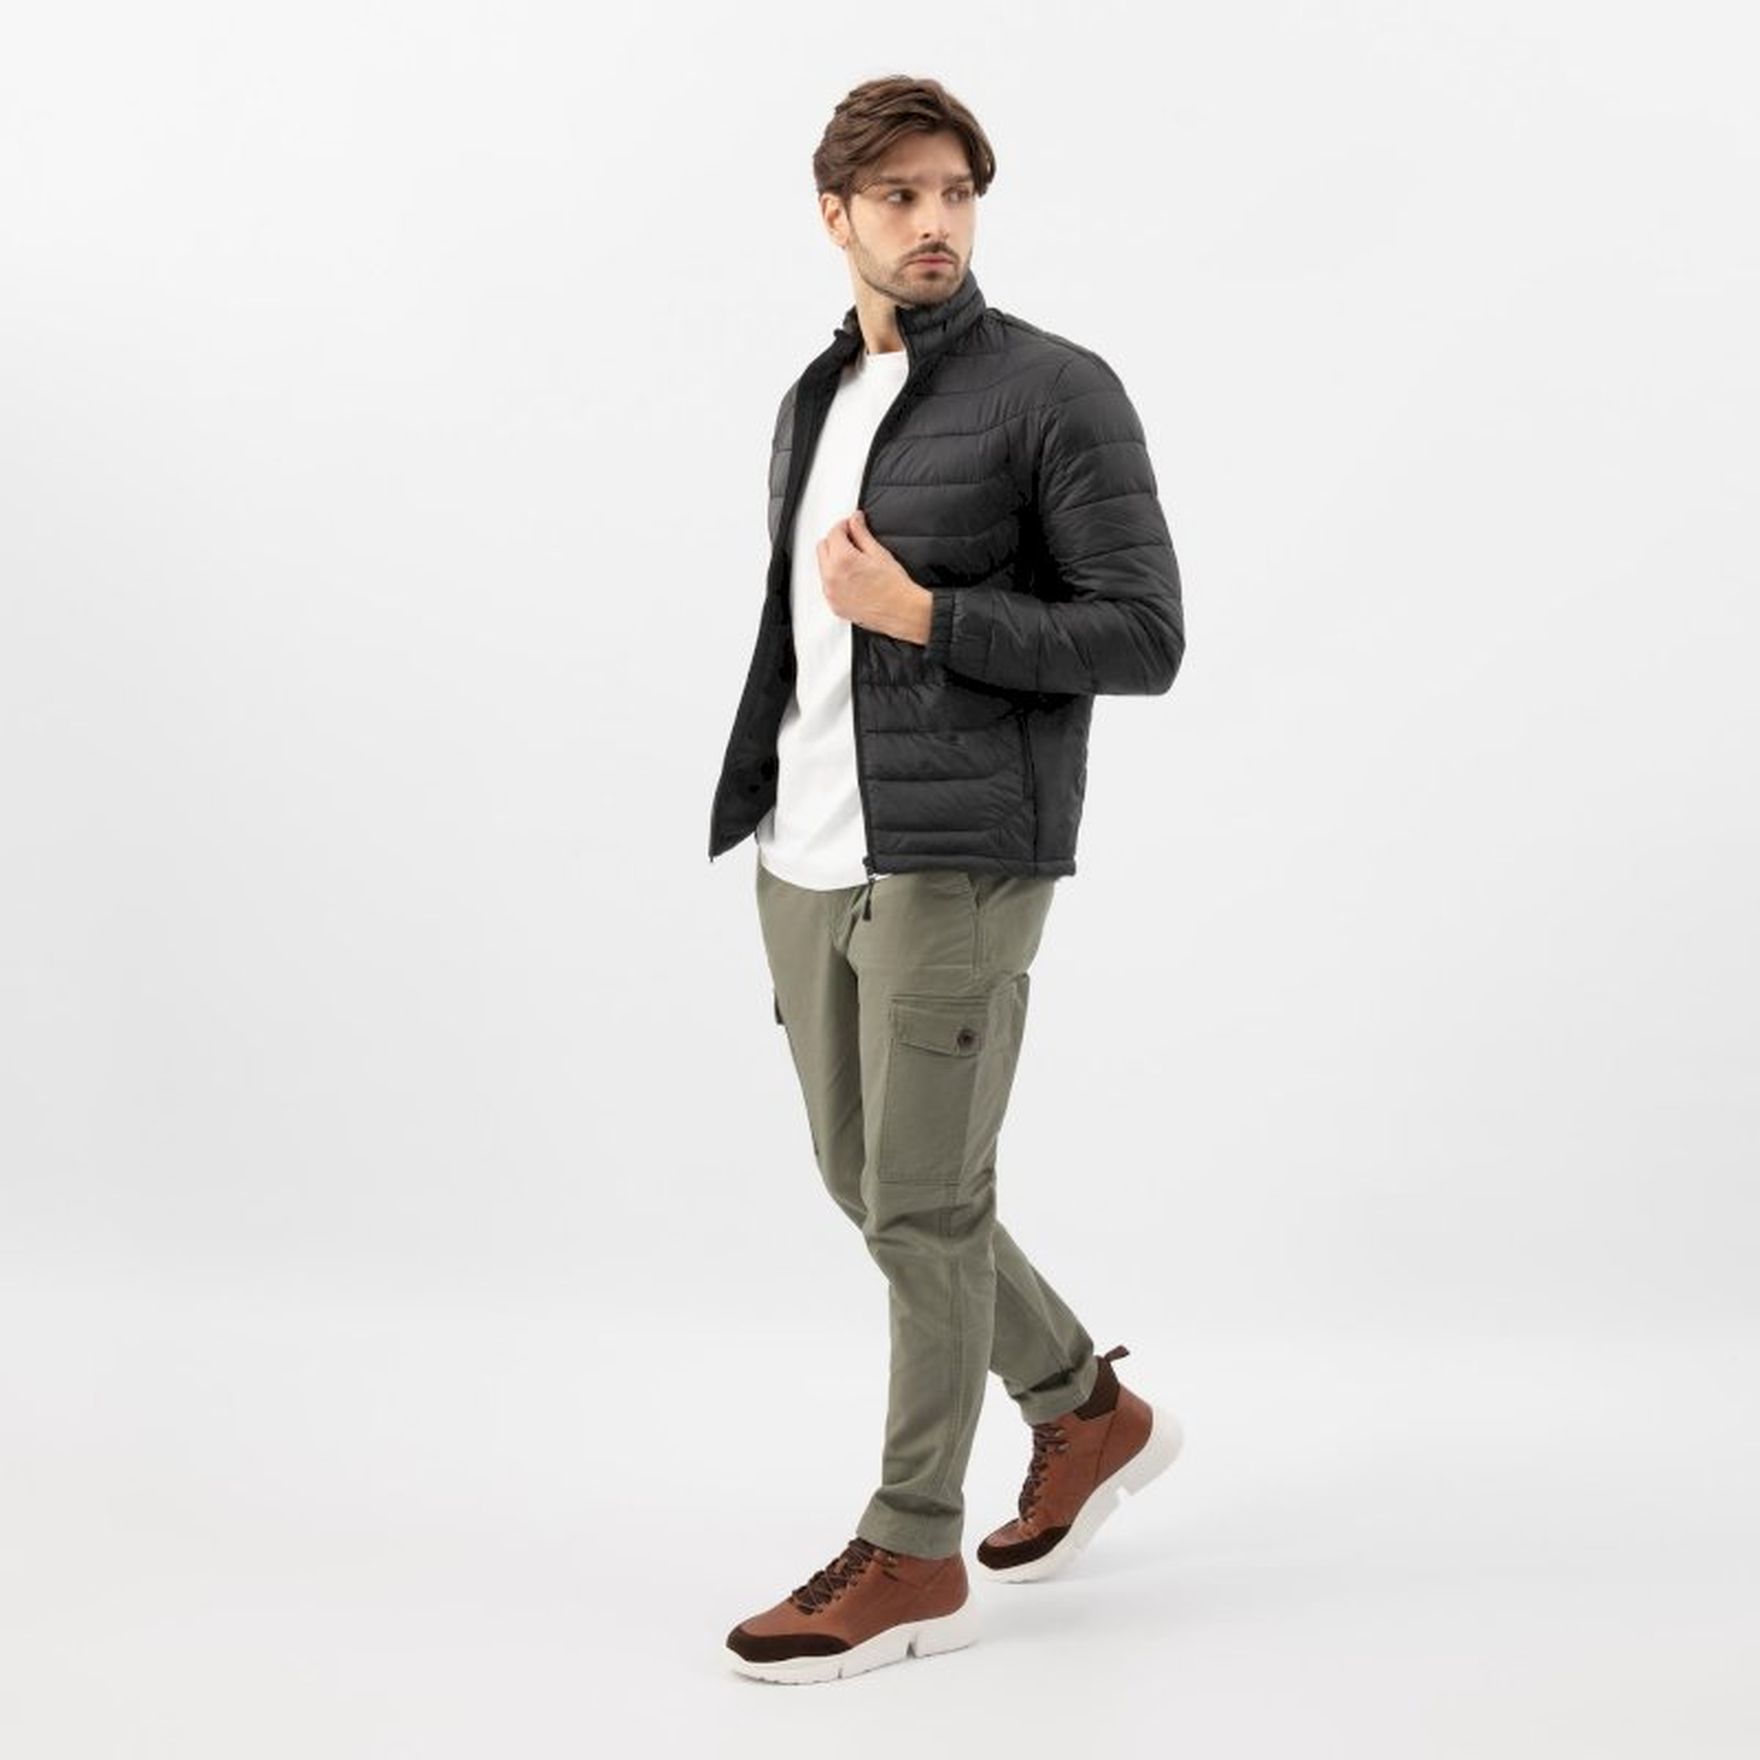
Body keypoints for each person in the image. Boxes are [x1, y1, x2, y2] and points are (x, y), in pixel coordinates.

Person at [707, 74, 1188, 1685]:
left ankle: (913, 1548)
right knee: (877, 1189)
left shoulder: (1055, 390)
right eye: (900, 195)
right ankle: (1087, 1411)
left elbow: (1145, 635)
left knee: (923, 1203)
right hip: (807, 849)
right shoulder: (816, 397)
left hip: (960, 853)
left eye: (957, 193)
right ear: (834, 215)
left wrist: (929, 618)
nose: (934, 223)